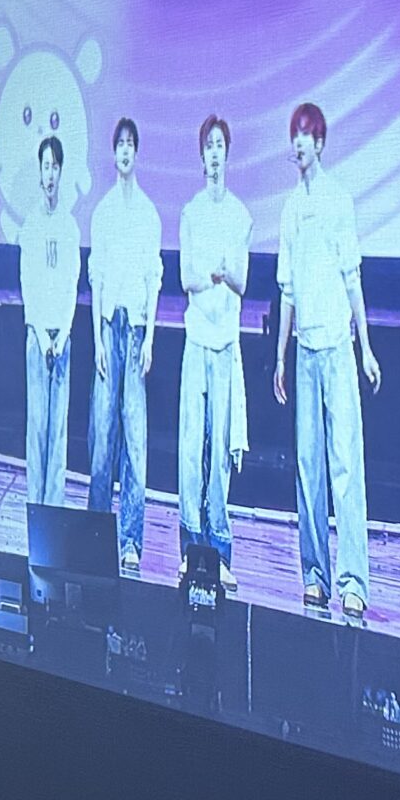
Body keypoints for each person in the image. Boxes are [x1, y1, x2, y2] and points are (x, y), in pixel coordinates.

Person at [273, 102, 381, 621]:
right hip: (306, 352)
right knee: (308, 467)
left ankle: (353, 580)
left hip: (337, 348)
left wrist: (366, 346)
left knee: (345, 464)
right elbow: (287, 290)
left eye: (306, 135)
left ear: (320, 142)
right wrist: (280, 355)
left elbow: (351, 277)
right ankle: (313, 575)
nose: (299, 143)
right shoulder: (290, 208)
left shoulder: (338, 200)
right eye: (294, 135)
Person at [176, 114, 252, 592]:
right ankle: (190, 550)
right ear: (201, 155)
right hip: (196, 339)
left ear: (228, 152)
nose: (215, 154)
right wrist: (212, 275)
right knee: (191, 449)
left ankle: (220, 552)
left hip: (225, 344)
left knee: (220, 451)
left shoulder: (240, 215)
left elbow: (242, 281)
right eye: (209, 146)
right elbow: (186, 277)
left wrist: (225, 274)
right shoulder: (191, 213)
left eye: (221, 145)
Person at [86, 117, 163, 574]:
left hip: (134, 331)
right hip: (108, 328)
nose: (126, 151)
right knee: (102, 437)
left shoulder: (149, 213)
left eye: (132, 143)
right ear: (113, 152)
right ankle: (97, 536)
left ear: (137, 151)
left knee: (135, 439)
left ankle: (131, 539)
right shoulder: (103, 212)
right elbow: (96, 278)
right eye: (120, 144)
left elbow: (153, 279)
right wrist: (97, 336)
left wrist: (150, 335)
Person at [17, 134, 82, 512]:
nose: (51, 174)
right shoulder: (30, 225)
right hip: (38, 339)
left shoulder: (70, 226)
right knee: (37, 428)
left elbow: (73, 283)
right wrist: (42, 336)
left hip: (63, 339)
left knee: (58, 433)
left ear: (61, 171)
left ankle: (53, 512)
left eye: (55, 166)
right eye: (46, 166)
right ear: (39, 173)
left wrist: (64, 333)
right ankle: (34, 510)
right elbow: (28, 283)